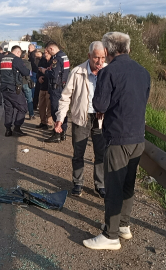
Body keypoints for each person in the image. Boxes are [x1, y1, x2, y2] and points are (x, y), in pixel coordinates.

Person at [83, 32, 151, 250]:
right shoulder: (143, 72)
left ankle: (110, 235)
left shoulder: (108, 72)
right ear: (128, 49)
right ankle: (123, 225)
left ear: (108, 51)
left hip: (118, 137)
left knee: (113, 186)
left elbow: (100, 105)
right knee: (128, 185)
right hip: (138, 137)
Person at [55, 41, 107, 198]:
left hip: (101, 119)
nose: (100, 62)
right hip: (81, 118)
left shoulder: (108, 72)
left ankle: (100, 185)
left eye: (103, 58)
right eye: (96, 58)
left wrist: (104, 110)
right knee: (79, 152)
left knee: (101, 154)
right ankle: (78, 183)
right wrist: (60, 118)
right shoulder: (77, 72)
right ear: (89, 56)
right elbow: (65, 97)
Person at [38, 41, 70, 143]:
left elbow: (53, 74)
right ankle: (62, 132)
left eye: (48, 50)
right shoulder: (64, 56)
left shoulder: (57, 58)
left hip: (56, 88)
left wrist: (44, 71)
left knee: (56, 110)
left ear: (51, 49)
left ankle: (57, 134)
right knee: (62, 110)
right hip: (62, 86)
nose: (47, 52)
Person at [0, 45, 31, 137]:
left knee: (8, 109)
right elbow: (25, 72)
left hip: (4, 87)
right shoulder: (16, 59)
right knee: (23, 107)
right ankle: (17, 128)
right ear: (18, 52)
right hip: (13, 88)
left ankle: (8, 130)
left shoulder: (3, 59)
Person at [35, 50, 53, 130]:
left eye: (47, 52)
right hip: (42, 87)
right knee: (41, 105)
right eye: (45, 52)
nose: (45, 54)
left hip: (50, 87)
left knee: (49, 107)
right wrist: (39, 77)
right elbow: (38, 71)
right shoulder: (42, 61)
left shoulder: (53, 61)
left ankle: (49, 123)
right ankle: (43, 122)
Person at [20, 51, 35, 120]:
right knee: (29, 99)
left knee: (21, 99)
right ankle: (31, 114)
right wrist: (29, 81)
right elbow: (29, 73)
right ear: (25, 56)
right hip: (26, 83)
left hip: (19, 83)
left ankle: (21, 114)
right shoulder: (28, 63)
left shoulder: (17, 63)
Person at [28, 44, 39, 109]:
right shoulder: (37, 53)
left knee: (33, 87)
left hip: (34, 72)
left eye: (29, 48)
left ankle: (33, 102)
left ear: (32, 48)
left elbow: (33, 64)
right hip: (37, 72)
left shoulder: (32, 54)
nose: (28, 49)